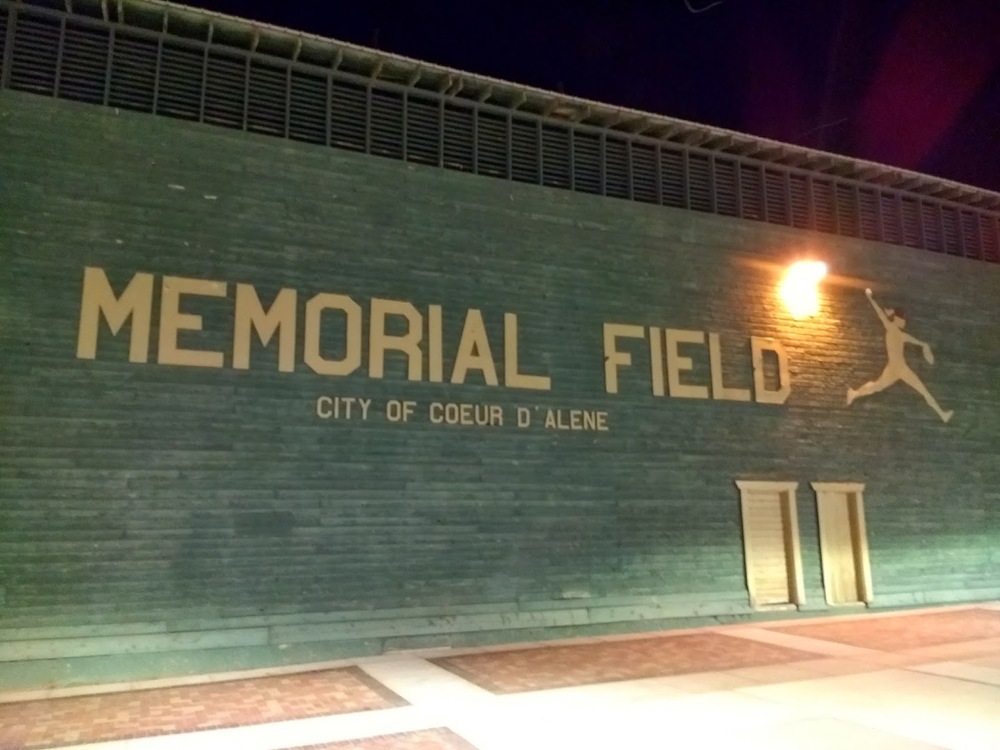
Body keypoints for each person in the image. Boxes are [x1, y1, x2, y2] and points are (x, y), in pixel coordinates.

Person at [847, 288, 953, 423]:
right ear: (896, 319)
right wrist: (871, 299)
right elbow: (880, 313)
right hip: (893, 369)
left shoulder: (902, 335)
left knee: (922, 389)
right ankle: (854, 393)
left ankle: (942, 414)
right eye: (903, 320)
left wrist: (924, 346)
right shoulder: (890, 328)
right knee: (876, 386)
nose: (904, 322)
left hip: (901, 368)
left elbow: (918, 342)